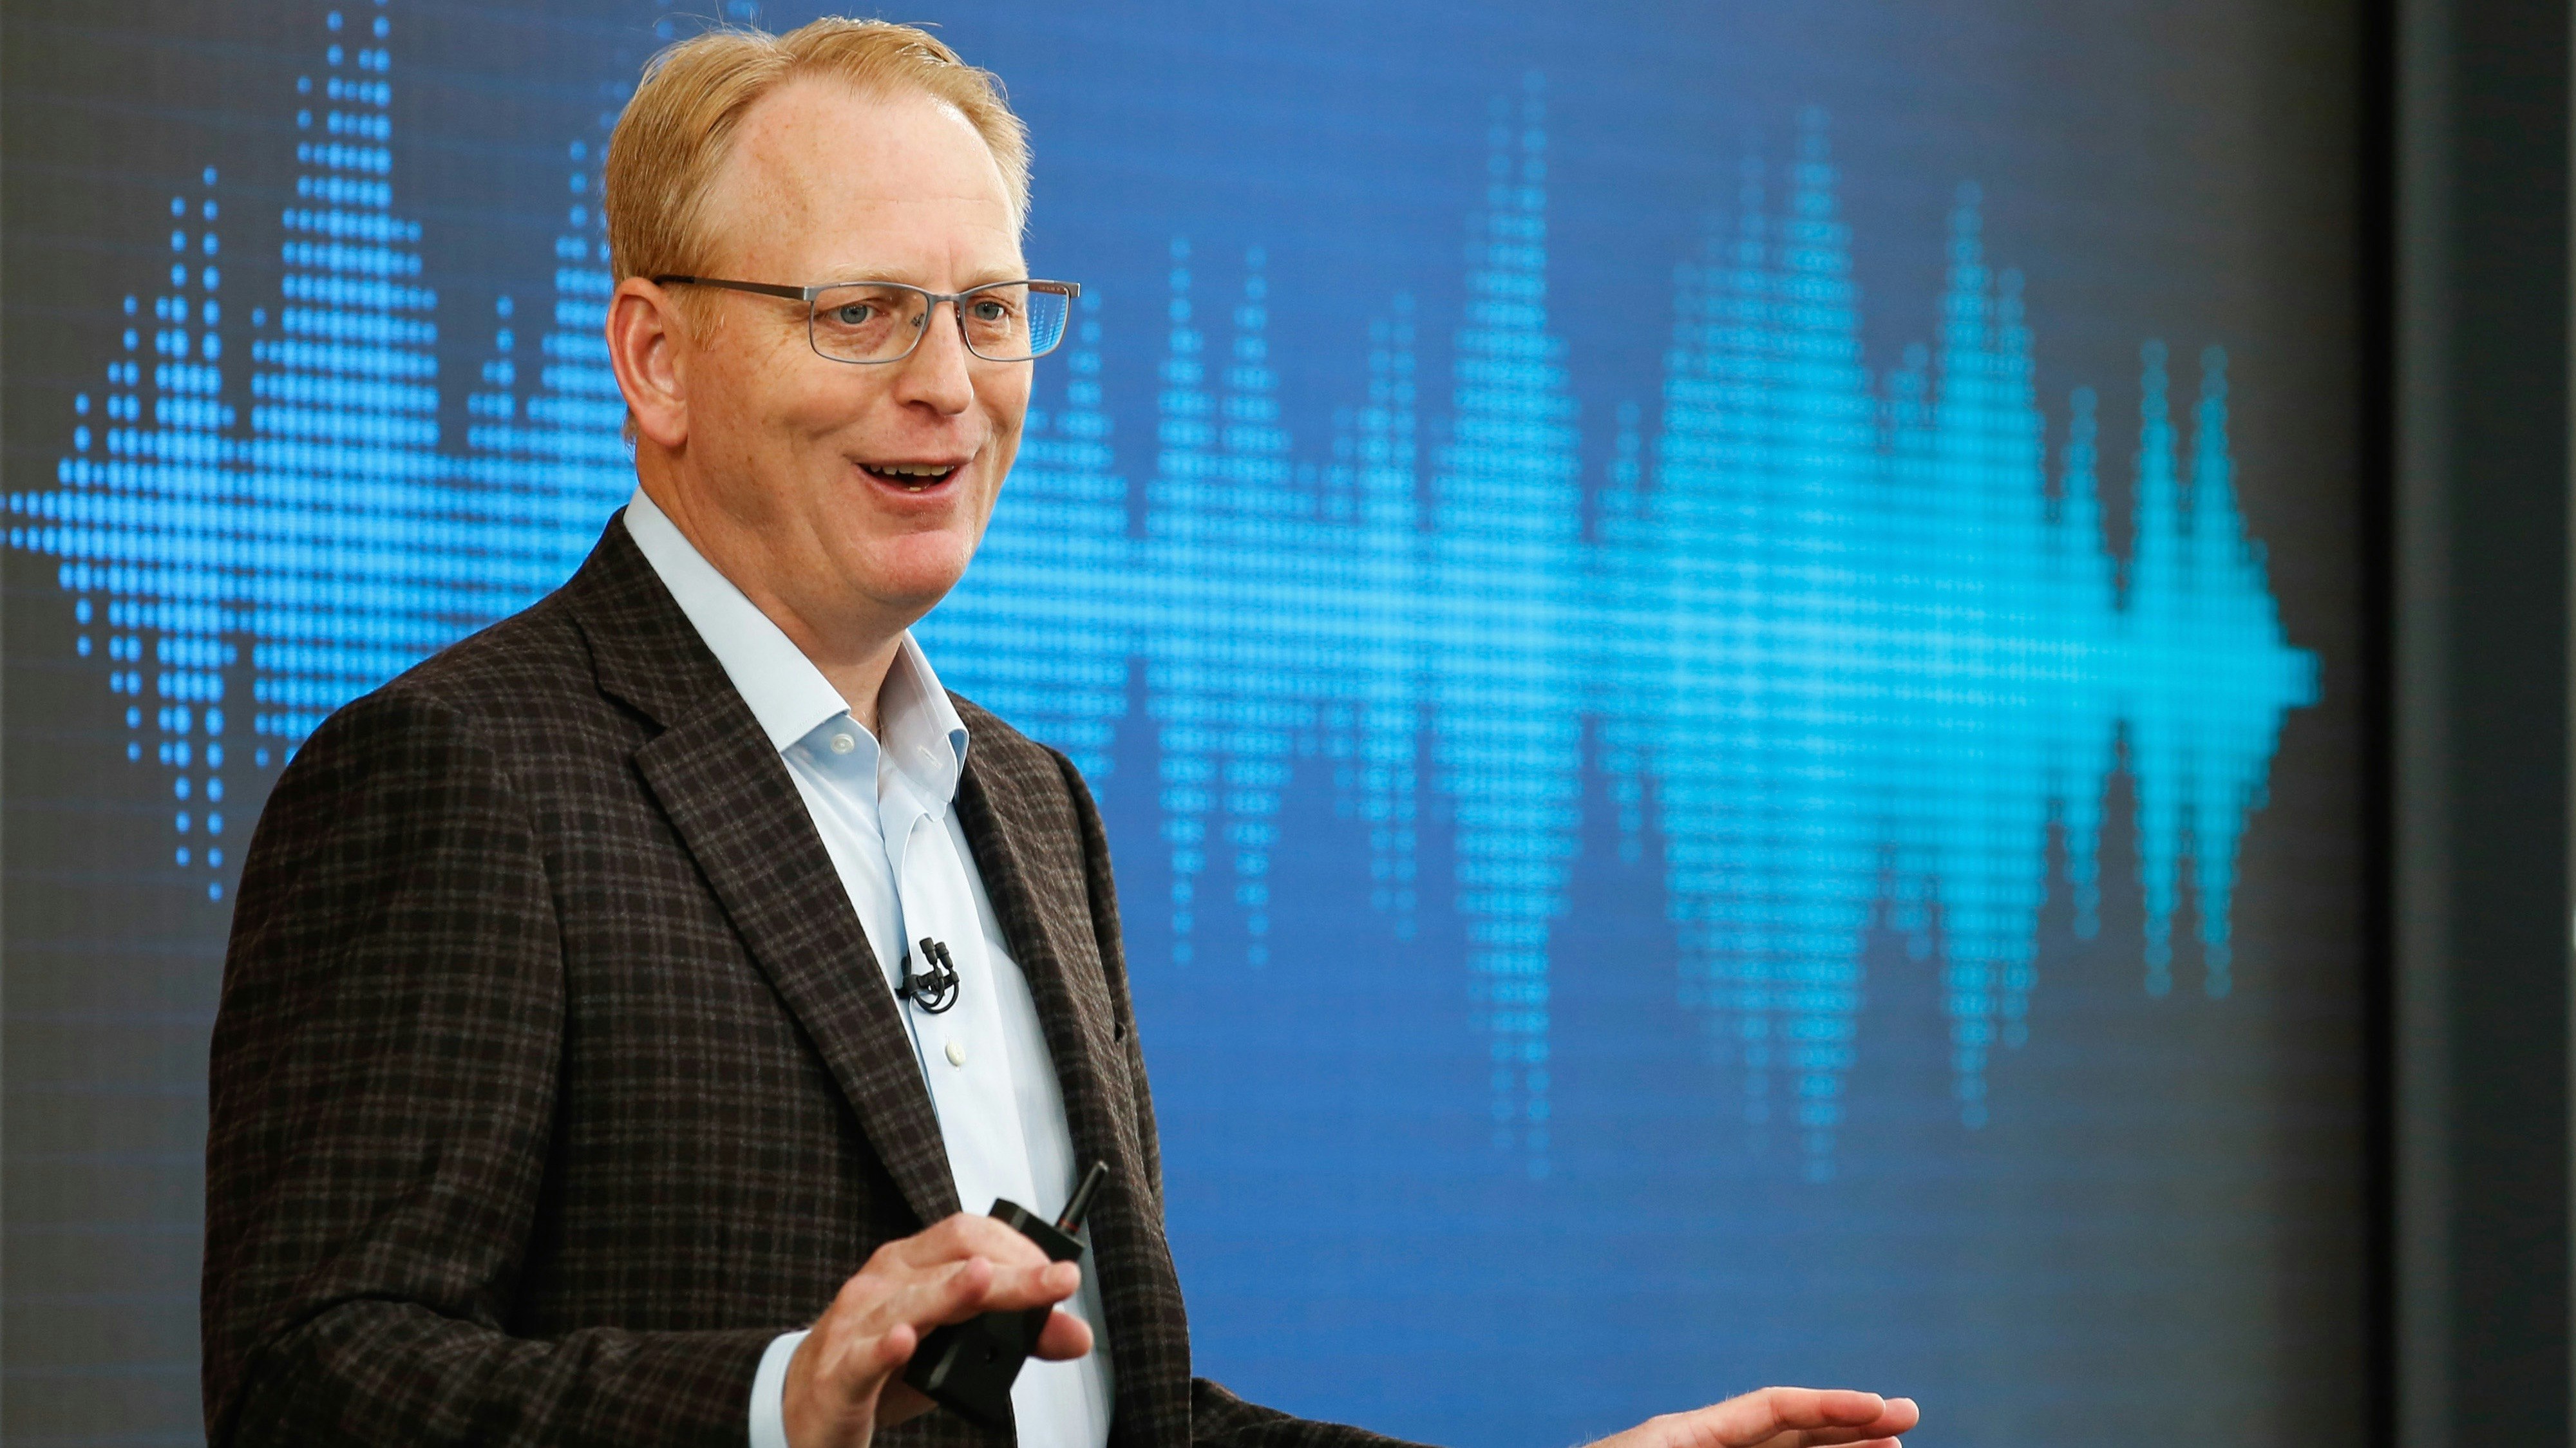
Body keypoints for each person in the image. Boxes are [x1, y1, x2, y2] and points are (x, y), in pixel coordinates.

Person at [200, 17, 1922, 1448]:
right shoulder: (461, 775)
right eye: (858, 310)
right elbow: (311, 1377)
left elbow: (1117, 1418)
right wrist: (771, 1401)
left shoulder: (1030, 808)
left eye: (993, 308)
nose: (948, 382)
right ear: (656, 359)